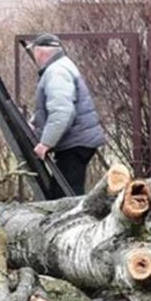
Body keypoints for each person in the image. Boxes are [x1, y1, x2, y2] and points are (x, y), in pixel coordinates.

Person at [25, 33, 105, 196]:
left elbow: (62, 112)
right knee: (62, 191)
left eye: (34, 51)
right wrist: (36, 123)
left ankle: (75, 221)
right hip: (78, 141)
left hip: (75, 144)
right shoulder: (61, 66)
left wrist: (46, 143)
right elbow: (55, 106)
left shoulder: (56, 72)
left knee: (66, 196)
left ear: (40, 52)